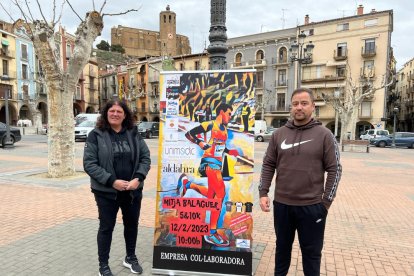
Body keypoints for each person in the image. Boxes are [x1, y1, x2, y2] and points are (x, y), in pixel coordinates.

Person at [259, 88, 342, 276]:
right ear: (291, 107)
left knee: (312, 255)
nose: (299, 107)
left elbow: (335, 169)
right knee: (281, 252)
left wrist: (325, 203)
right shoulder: (279, 134)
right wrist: (263, 192)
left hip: (312, 207)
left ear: (313, 107)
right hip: (282, 205)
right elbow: (268, 164)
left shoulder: (324, 135)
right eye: (295, 103)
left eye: (304, 103)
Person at [83, 100, 151, 276]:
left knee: (131, 225)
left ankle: (130, 257)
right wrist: (112, 181)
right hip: (106, 193)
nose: (115, 114)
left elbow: (145, 158)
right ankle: (103, 265)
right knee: (106, 227)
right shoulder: (96, 135)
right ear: (106, 113)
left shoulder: (133, 133)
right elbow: (89, 164)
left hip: (132, 191)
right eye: (111, 111)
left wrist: (138, 178)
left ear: (125, 114)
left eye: (119, 111)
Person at [178, 103, 241, 247]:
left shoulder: (224, 129)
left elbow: (220, 146)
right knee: (220, 193)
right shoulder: (210, 125)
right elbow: (189, 134)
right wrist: (199, 142)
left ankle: (188, 185)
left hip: (218, 163)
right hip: (209, 162)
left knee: (213, 197)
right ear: (221, 112)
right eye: (229, 114)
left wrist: (230, 152)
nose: (230, 117)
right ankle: (211, 233)